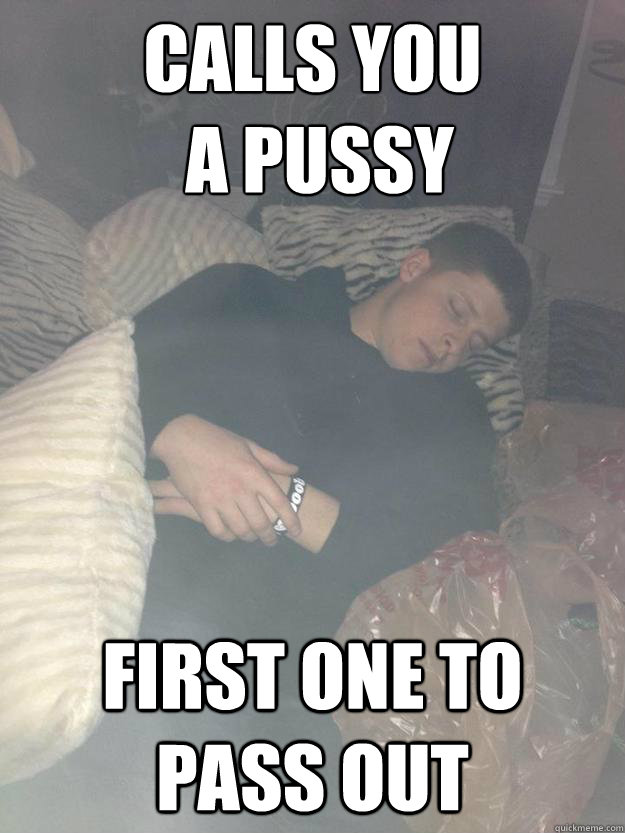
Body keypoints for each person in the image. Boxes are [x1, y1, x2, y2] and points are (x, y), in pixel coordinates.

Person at [134, 221, 531, 641]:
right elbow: (114, 362)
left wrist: (285, 500)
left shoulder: (457, 418)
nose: (455, 344)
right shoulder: (248, 295)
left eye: (474, 345)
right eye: (456, 311)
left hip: (298, 648)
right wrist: (177, 435)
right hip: (134, 561)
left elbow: (451, 568)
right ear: (415, 266)